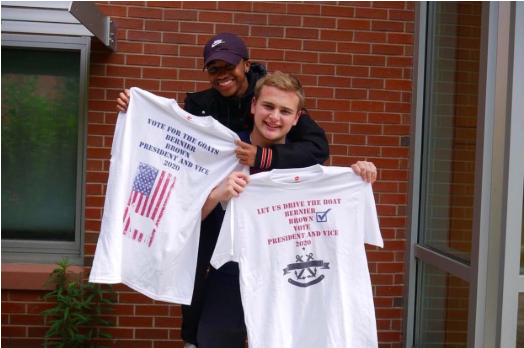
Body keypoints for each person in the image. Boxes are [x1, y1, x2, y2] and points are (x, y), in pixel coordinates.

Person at [116, 33, 376, 348]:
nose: (274, 117)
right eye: (268, 106)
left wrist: (358, 174)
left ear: (297, 119)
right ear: (254, 105)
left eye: (284, 111)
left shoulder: (305, 164)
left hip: (287, 274)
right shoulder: (221, 154)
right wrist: (139, 113)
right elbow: (176, 208)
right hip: (230, 273)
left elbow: (334, 192)